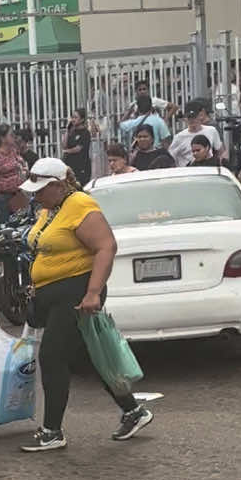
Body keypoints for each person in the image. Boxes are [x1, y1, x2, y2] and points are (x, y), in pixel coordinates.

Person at [17, 158, 153, 453]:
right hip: (55, 294)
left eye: (40, 189)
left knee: (52, 357)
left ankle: (52, 431)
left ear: (58, 185)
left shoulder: (79, 204)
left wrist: (93, 292)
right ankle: (133, 411)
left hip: (77, 294)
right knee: (92, 354)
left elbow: (106, 246)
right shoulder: (51, 209)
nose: (35, 195)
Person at [0, 122, 27, 221]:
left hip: (16, 195)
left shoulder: (14, 151)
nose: (13, 137)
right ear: (2, 138)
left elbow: (20, 165)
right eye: (10, 135)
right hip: (1, 198)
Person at [169, 100, 224, 167]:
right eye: (189, 117)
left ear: (200, 116)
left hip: (208, 170)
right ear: (185, 119)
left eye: (194, 117)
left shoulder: (211, 131)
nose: (192, 120)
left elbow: (220, 151)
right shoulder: (179, 137)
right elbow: (170, 158)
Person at [61, 108, 92, 183]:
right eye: (72, 117)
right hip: (69, 166)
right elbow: (64, 145)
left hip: (81, 167)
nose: (73, 119)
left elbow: (78, 148)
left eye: (75, 117)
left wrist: (67, 151)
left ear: (82, 119)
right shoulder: (71, 132)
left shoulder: (85, 133)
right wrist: (67, 129)